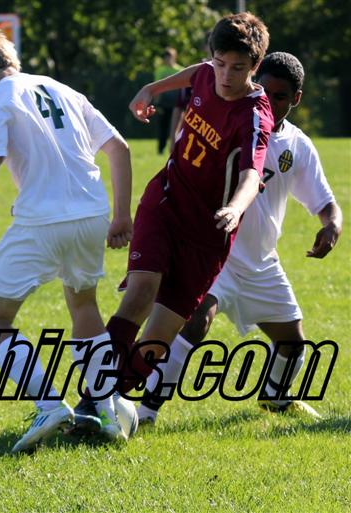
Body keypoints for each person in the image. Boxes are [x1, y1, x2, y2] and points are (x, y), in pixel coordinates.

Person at [72, 12, 274, 428]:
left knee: (158, 338)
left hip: (208, 235)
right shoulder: (206, 73)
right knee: (140, 293)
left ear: (255, 67)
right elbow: (195, 72)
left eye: (238, 68)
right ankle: (91, 401)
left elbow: (253, 175)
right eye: (220, 63)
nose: (225, 75)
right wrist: (151, 88)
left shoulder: (254, 114)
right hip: (165, 201)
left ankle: (113, 402)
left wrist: (235, 208)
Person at [136, 52, 343, 425]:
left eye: (281, 96)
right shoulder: (236, 121)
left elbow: (325, 202)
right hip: (217, 254)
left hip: (261, 262)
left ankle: (276, 399)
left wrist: (332, 225)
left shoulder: (297, 146)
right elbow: (204, 72)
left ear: (296, 98)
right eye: (266, 91)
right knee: (196, 321)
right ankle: (145, 411)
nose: (271, 102)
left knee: (293, 343)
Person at [0, 27, 133, 452]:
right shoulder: (62, 89)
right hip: (92, 214)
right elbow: (120, 149)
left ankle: (50, 405)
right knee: (84, 306)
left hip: (42, 220)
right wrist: (122, 215)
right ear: (12, 62)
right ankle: (107, 411)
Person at [154, 47, 183, 154]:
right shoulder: (160, 70)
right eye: (165, 57)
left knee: (176, 127)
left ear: (174, 57)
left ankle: (176, 148)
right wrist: (156, 102)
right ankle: (161, 149)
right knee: (163, 126)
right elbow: (156, 86)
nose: (167, 59)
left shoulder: (181, 70)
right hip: (163, 103)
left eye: (169, 56)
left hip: (176, 104)